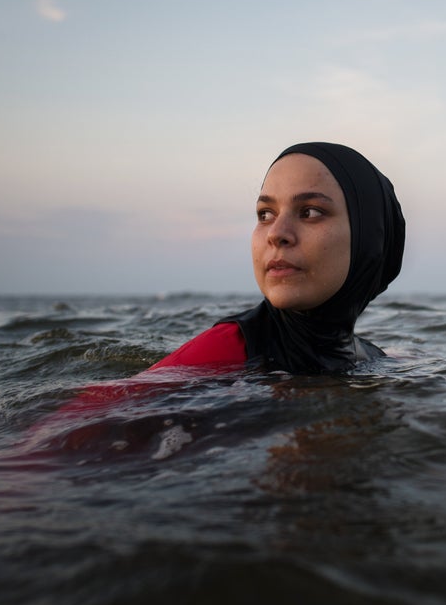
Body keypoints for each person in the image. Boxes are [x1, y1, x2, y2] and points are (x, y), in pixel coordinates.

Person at [46, 142, 405, 422]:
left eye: (309, 212)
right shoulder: (224, 353)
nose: (276, 234)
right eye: (265, 214)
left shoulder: (368, 356)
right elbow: (51, 441)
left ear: (370, 240)